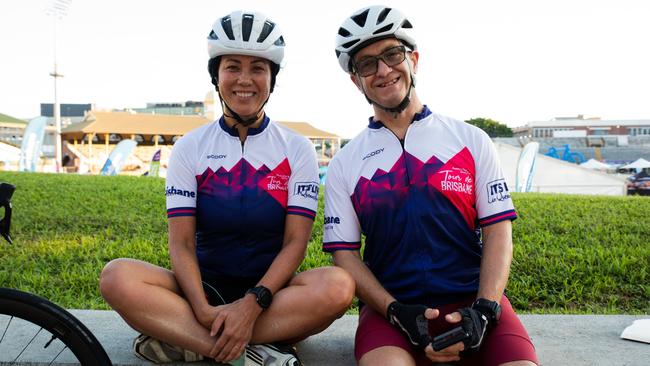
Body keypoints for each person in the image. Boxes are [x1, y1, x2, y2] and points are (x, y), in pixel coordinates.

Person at [100, 10, 355, 365]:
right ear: (216, 76)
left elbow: (295, 243)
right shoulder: (191, 147)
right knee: (117, 277)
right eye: (233, 67)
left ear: (272, 79)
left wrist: (252, 304)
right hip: (202, 291)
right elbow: (182, 243)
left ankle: (188, 342)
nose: (244, 80)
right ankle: (247, 352)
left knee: (338, 286)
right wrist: (203, 311)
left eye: (257, 68)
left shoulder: (297, 149)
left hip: (271, 297)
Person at [323, 5, 538, 366]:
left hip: (473, 300)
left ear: (414, 60)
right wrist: (394, 312)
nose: (383, 71)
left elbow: (498, 231)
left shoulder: (471, 140)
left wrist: (484, 309)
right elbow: (345, 254)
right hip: (392, 311)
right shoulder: (346, 162)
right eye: (367, 64)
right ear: (355, 80)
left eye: (392, 54)